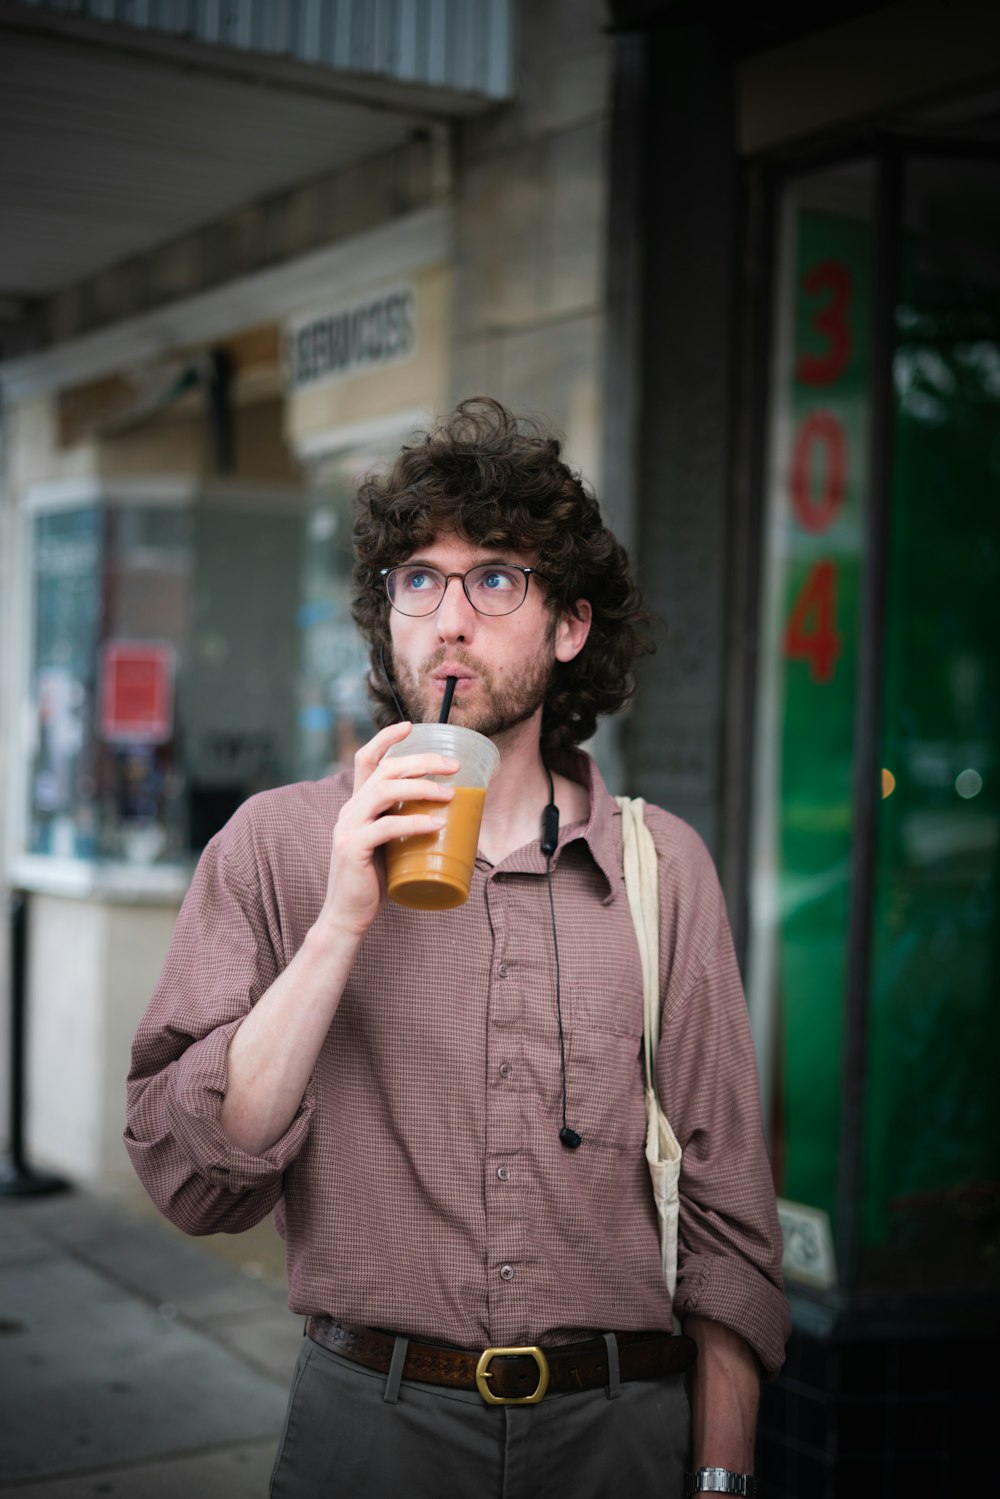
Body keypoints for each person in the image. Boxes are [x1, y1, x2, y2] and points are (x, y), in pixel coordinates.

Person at [125, 397, 790, 1499]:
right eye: (418, 579)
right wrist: (342, 916)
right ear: (386, 615)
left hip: (620, 1432)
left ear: (569, 625)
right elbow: (196, 1177)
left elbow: (728, 1208)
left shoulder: (660, 866)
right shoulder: (279, 844)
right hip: (371, 1428)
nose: (448, 619)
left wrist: (719, 1474)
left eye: (494, 579)